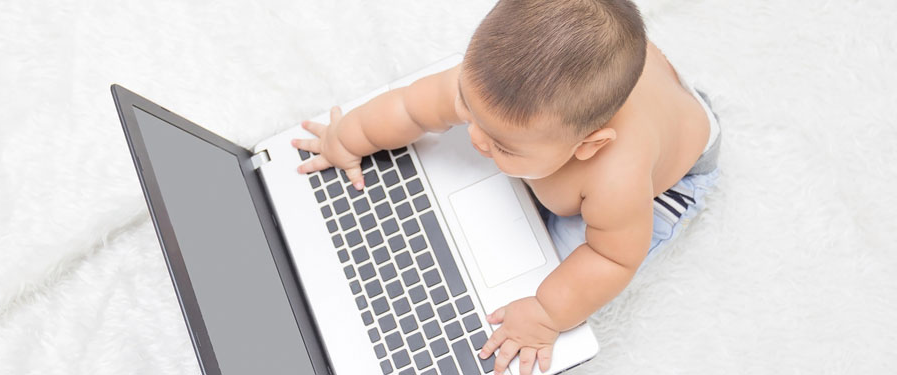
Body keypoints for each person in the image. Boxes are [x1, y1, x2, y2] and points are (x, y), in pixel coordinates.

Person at [291, 1, 721, 374]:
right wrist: (347, 138)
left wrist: (547, 313)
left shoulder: (617, 178)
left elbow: (612, 257)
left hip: (677, 168)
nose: (476, 138)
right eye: (469, 110)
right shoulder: (493, 87)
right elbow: (410, 107)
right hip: (626, 79)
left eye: (502, 145)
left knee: (561, 259)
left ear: (587, 146)